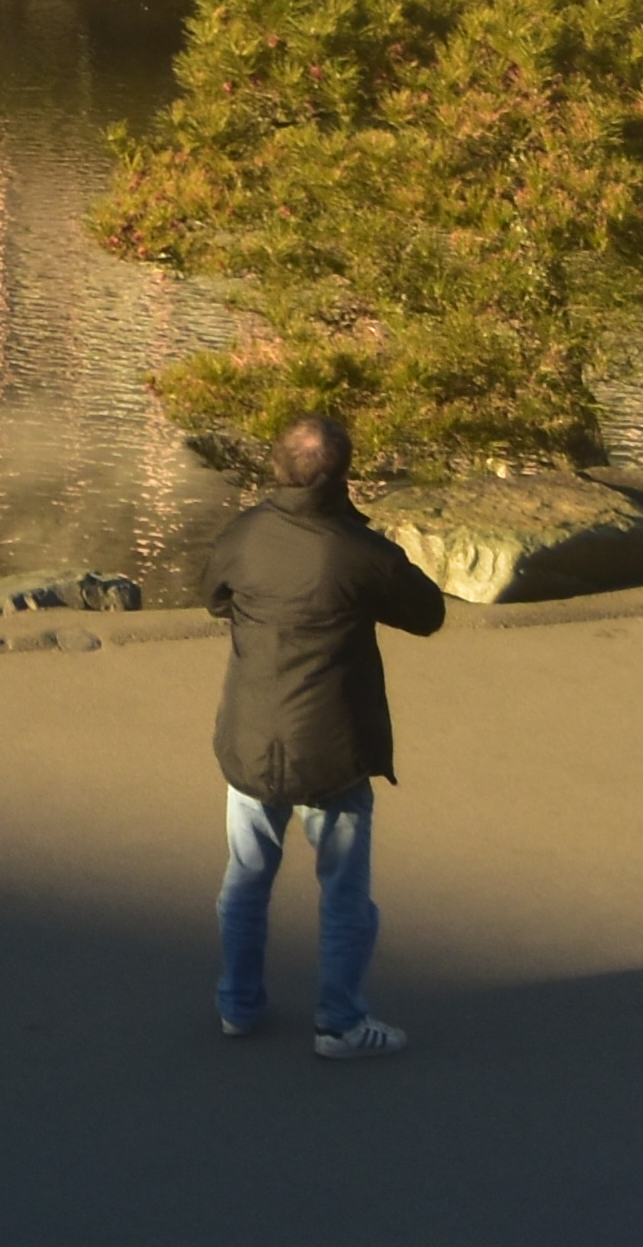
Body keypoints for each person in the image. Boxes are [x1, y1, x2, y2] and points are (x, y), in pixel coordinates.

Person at [204, 408, 448, 1056]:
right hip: (334, 746)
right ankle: (339, 1022)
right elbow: (428, 614)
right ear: (341, 473)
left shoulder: (243, 534)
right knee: (344, 896)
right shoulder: (360, 551)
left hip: (252, 739)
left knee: (246, 879)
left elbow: (215, 595)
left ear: (277, 467)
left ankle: (238, 1003)